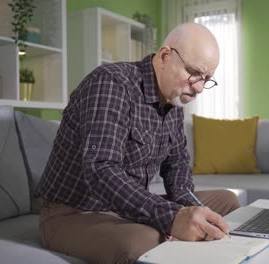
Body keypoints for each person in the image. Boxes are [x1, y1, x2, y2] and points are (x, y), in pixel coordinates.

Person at [35, 22, 241, 264]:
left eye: (206, 79)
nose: (198, 88)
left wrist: (191, 210)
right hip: (75, 212)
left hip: (126, 210)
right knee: (146, 242)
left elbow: (178, 171)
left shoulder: (175, 99)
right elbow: (101, 169)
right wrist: (172, 217)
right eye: (194, 73)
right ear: (165, 56)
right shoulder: (111, 83)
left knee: (227, 200)